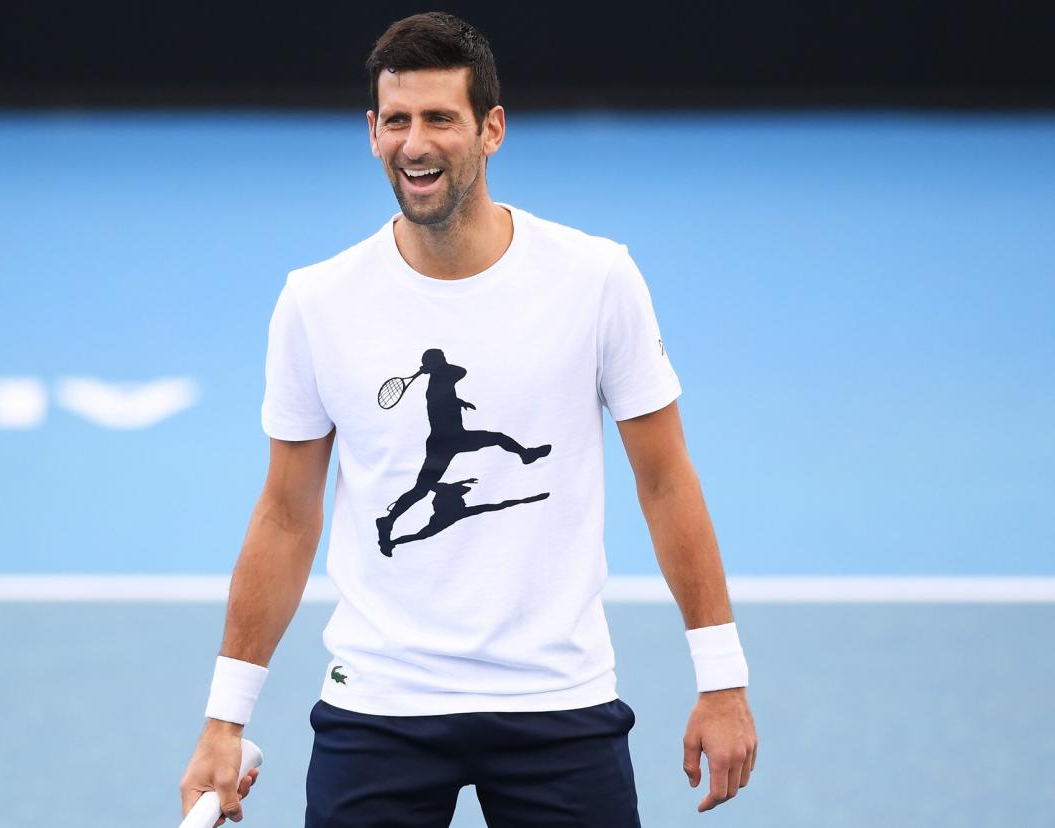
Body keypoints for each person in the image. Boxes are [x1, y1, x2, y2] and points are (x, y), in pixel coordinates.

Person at [180, 12, 758, 827]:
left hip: (558, 701)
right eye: (397, 121)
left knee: (479, 451)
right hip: (380, 703)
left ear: (491, 130)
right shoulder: (317, 301)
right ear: (373, 133)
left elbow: (665, 482)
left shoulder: (596, 279)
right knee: (440, 473)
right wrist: (224, 718)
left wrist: (722, 678)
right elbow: (285, 515)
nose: (415, 144)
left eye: (440, 119)